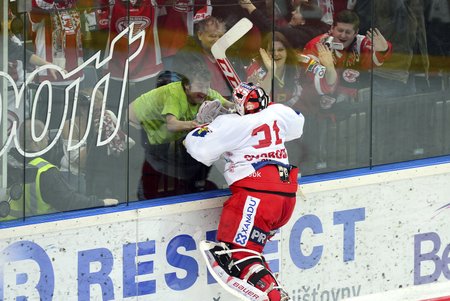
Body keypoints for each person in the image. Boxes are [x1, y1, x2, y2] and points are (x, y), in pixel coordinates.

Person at [184, 82, 304, 301]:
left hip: (256, 196)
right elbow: (298, 124)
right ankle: (271, 288)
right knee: (252, 254)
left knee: (237, 256)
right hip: (285, 198)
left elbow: (197, 148)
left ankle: (274, 295)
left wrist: (205, 126)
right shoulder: (278, 112)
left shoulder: (229, 124)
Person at [128, 63, 233, 199]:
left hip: (158, 132)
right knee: (148, 168)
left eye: (207, 86)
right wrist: (196, 124)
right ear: (187, 86)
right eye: (200, 86)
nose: (205, 91)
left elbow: (229, 105)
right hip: (135, 126)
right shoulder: (175, 95)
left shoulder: (205, 93)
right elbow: (172, 125)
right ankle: (142, 198)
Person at [1, 119, 118, 221]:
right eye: (45, 136)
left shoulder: (7, 161)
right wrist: (100, 203)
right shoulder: (45, 171)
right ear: (36, 141)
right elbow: (69, 202)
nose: (48, 139)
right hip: (36, 231)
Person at [246, 31, 302, 107]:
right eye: (272, 51)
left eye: (280, 50)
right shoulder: (256, 70)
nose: (276, 54)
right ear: (264, 52)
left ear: (287, 51)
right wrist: (270, 72)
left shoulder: (296, 65)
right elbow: (257, 101)